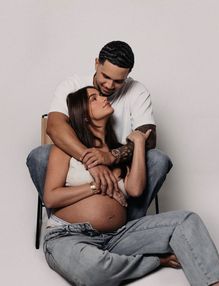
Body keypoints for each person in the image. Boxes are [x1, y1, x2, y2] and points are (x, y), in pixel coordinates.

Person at [43, 86, 219, 286]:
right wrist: (95, 186)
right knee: (92, 270)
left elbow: (135, 189)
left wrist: (139, 144)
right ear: (84, 116)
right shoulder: (65, 150)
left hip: (118, 237)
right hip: (68, 236)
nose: (103, 97)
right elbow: (51, 198)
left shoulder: (117, 153)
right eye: (94, 98)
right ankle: (155, 261)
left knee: (186, 220)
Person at [26, 40, 172, 220]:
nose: (110, 86)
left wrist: (112, 157)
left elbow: (148, 138)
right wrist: (93, 163)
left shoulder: (137, 91)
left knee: (158, 159)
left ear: (128, 74)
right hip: (80, 160)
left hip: (121, 165)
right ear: (97, 63)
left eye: (118, 81)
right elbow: (54, 127)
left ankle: (129, 225)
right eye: (105, 76)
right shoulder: (73, 85)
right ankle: (61, 221)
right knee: (40, 155)